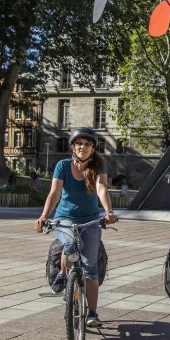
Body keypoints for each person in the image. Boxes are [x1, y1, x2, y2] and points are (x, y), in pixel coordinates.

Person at [35, 128, 117, 328]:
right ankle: (63, 275)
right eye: (79, 143)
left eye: (87, 144)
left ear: (93, 148)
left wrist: (108, 211)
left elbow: (101, 188)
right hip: (65, 218)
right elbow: (54, 193)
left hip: (90, 220)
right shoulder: (63, 166)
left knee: (90, 268)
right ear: (73, 146)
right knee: (71, 242)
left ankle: (93, 314)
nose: (83, 147)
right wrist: (44, 216)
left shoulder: (98, 166)